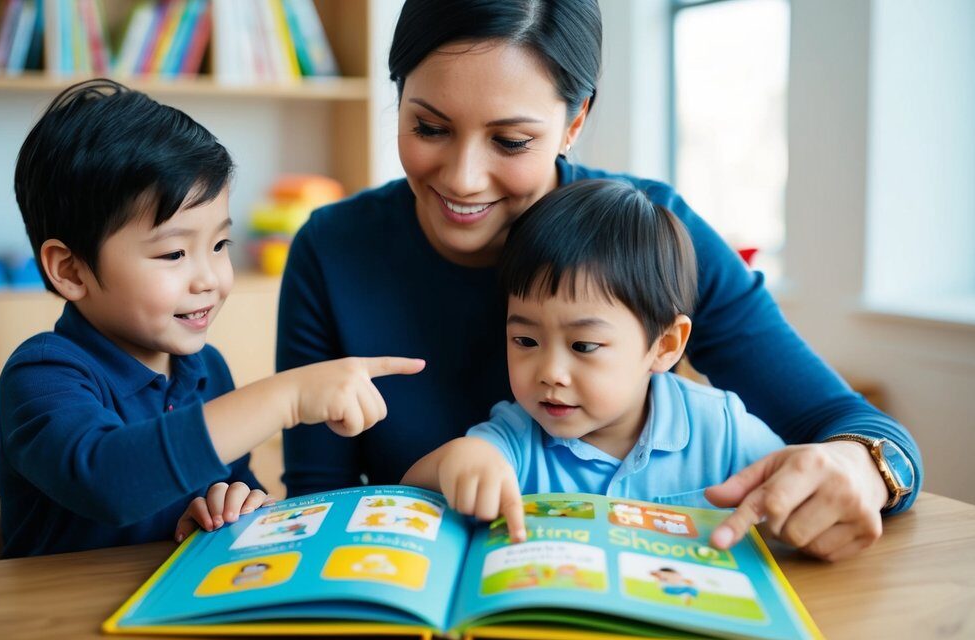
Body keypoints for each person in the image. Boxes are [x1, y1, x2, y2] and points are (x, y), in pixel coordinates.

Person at [277, 0, 922, 561]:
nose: (463, 177)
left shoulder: (649, 235)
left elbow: (859, 428)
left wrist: (862, 468)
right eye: (429, 127)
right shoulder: (333, 251)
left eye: (511, 141)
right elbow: (317, 502)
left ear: (575, 120)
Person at [0, 79, 424, 557]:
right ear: (70, 270)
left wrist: (237, 501)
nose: (209, 279)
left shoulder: (206, 371)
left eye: (220, 245)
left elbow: (237, 488)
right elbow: (108, 481)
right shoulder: (44, 374)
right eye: (174, 253)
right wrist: (286, 396)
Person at [401, 180, 785, 542]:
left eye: (583, 345)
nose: (550, 372)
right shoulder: (516, 437)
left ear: (665, 345)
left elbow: (792, 489)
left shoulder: (722, 429)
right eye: (525, 340)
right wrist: (460, 458)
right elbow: (412, 488)